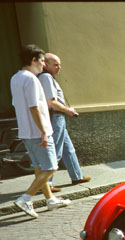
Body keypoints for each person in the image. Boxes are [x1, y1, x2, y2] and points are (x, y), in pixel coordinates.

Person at [11, 45, 71, 218]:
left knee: (40, 167)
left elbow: (19, 105)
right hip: (38, 132)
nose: (44, 65)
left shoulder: (15, 78)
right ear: (33, 60)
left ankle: (50, 199)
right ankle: (25, 199)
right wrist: (44, 131)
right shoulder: (31, 79)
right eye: (42, 60)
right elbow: (34, 107)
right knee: (51, 167)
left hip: (26, 132)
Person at [38, 53, 91, 187]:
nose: (59, 67)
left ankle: (76, 176)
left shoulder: (49, 77)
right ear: (46, 64)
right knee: (55, 150)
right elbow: (51, 102)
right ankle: (47, 184)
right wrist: (68, 110)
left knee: (68, 149)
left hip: (58, 116)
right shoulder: (46, 77)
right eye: (55, 64)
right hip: (55, 116)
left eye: (59, 64)